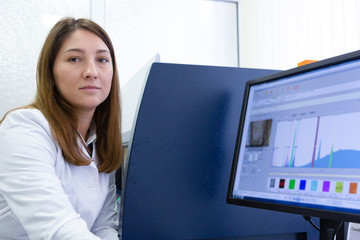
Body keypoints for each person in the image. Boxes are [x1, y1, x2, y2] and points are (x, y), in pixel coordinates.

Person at [0, 17, 122, 239]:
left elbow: (103, 227)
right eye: (75, 59)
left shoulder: (100, 145)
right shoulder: (23, 128)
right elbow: (58, 230)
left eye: (102, 59)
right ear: (51, 73)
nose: (91, 71)